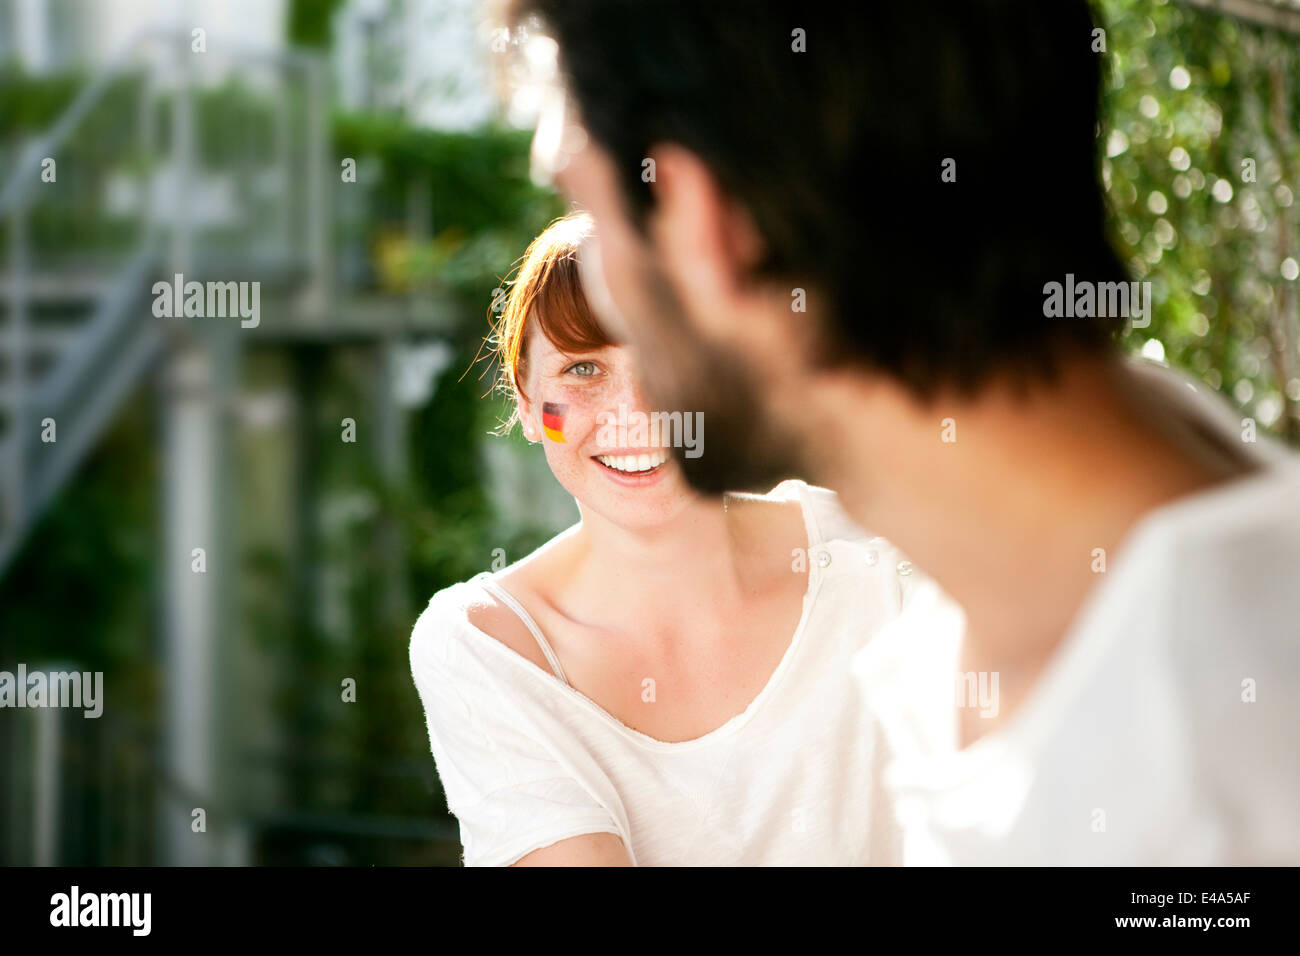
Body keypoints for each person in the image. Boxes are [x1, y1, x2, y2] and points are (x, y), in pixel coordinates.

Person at [506, 0, 1300, 863]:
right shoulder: (975, 627)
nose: (607, 299)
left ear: (699, 219)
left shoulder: (1216, 773)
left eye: (589, 210)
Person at [409, 211, 911, 866]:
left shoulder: (880, 557)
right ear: (529, 408)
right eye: (583, 371)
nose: (636, 414)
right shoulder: (487, 646)